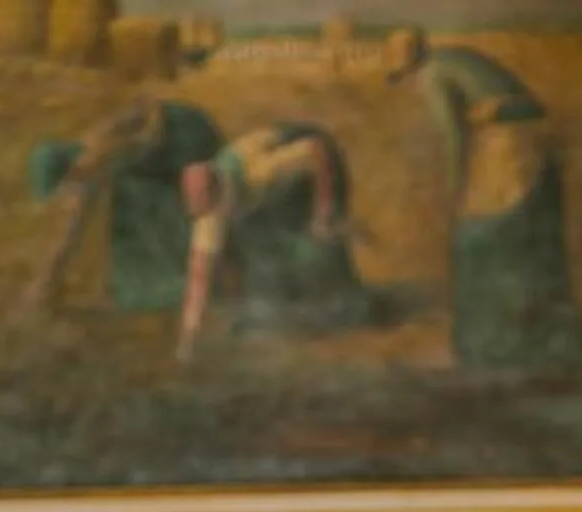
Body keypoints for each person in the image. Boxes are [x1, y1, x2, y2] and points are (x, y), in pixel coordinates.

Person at [26, 104, 370, 355]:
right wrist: (187, 343)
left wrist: (325, 210)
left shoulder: (252, 171)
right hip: (214, 183)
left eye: (63, 187)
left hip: (195, 141)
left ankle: (332, 295)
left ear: (72, 169)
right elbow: (199, 270)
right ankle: (230, 293)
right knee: (207, 245)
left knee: (300, 234)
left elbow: (316, 151)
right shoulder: (206, 210)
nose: (66, 196)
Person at [383, 26, 582, 369]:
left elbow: (453, 138)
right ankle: (543, 338)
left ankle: (494, 342)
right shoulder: (455, 56)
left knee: (478, 238)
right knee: (531, 237)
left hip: (512, 153)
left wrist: (456, 189)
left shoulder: (432, 75)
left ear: (406, 65)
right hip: (538, 149)